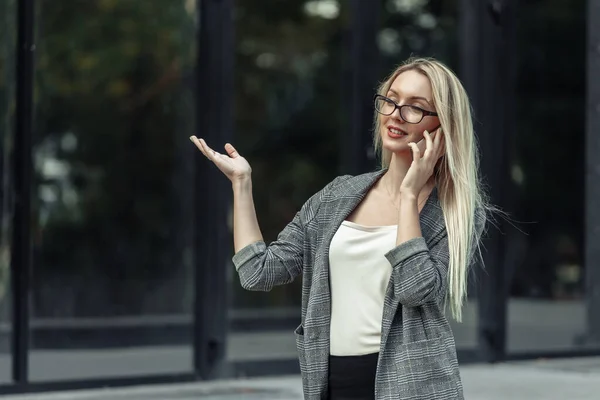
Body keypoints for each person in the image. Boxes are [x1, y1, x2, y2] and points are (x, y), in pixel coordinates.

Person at [191, 57, 488, 400]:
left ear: (442, 126)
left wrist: (409, 196)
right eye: (391, 100)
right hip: (333, 383)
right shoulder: (338, 195)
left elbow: (415, 290)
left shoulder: (456, 212)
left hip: (412, 385)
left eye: (415, 108)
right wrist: (241, 184)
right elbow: (259, 272)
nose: (395, 113)